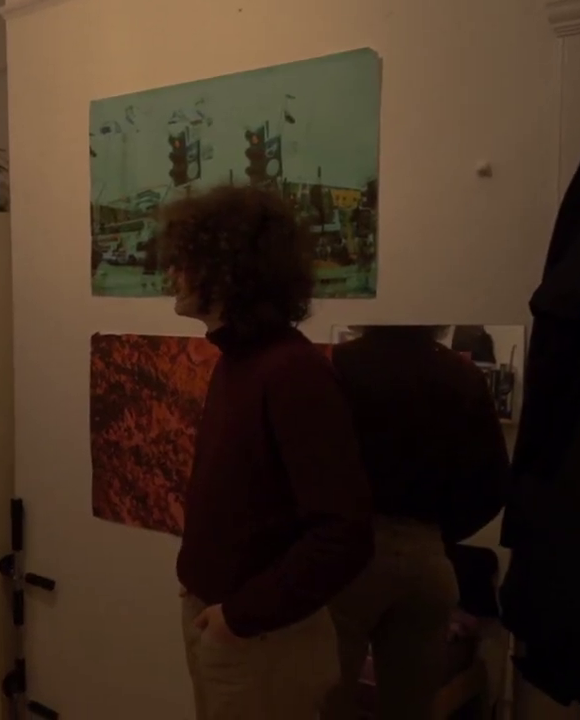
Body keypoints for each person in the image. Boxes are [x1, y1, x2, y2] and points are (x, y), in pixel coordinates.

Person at [161, 184, 374, 720]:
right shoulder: (241, 362)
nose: (173, 274)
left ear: (230, 271)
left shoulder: (291, 372)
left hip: (264, 641)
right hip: (231, 625)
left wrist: (241, 614)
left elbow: (343, 533)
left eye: (187, 261)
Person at [322, 325, 509, 720]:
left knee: (329, 703)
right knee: (412, 709)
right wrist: (440, 533)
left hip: (347, 552)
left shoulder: (337, 365)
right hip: (426, 555)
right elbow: (493, 486)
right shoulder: (462, 375)